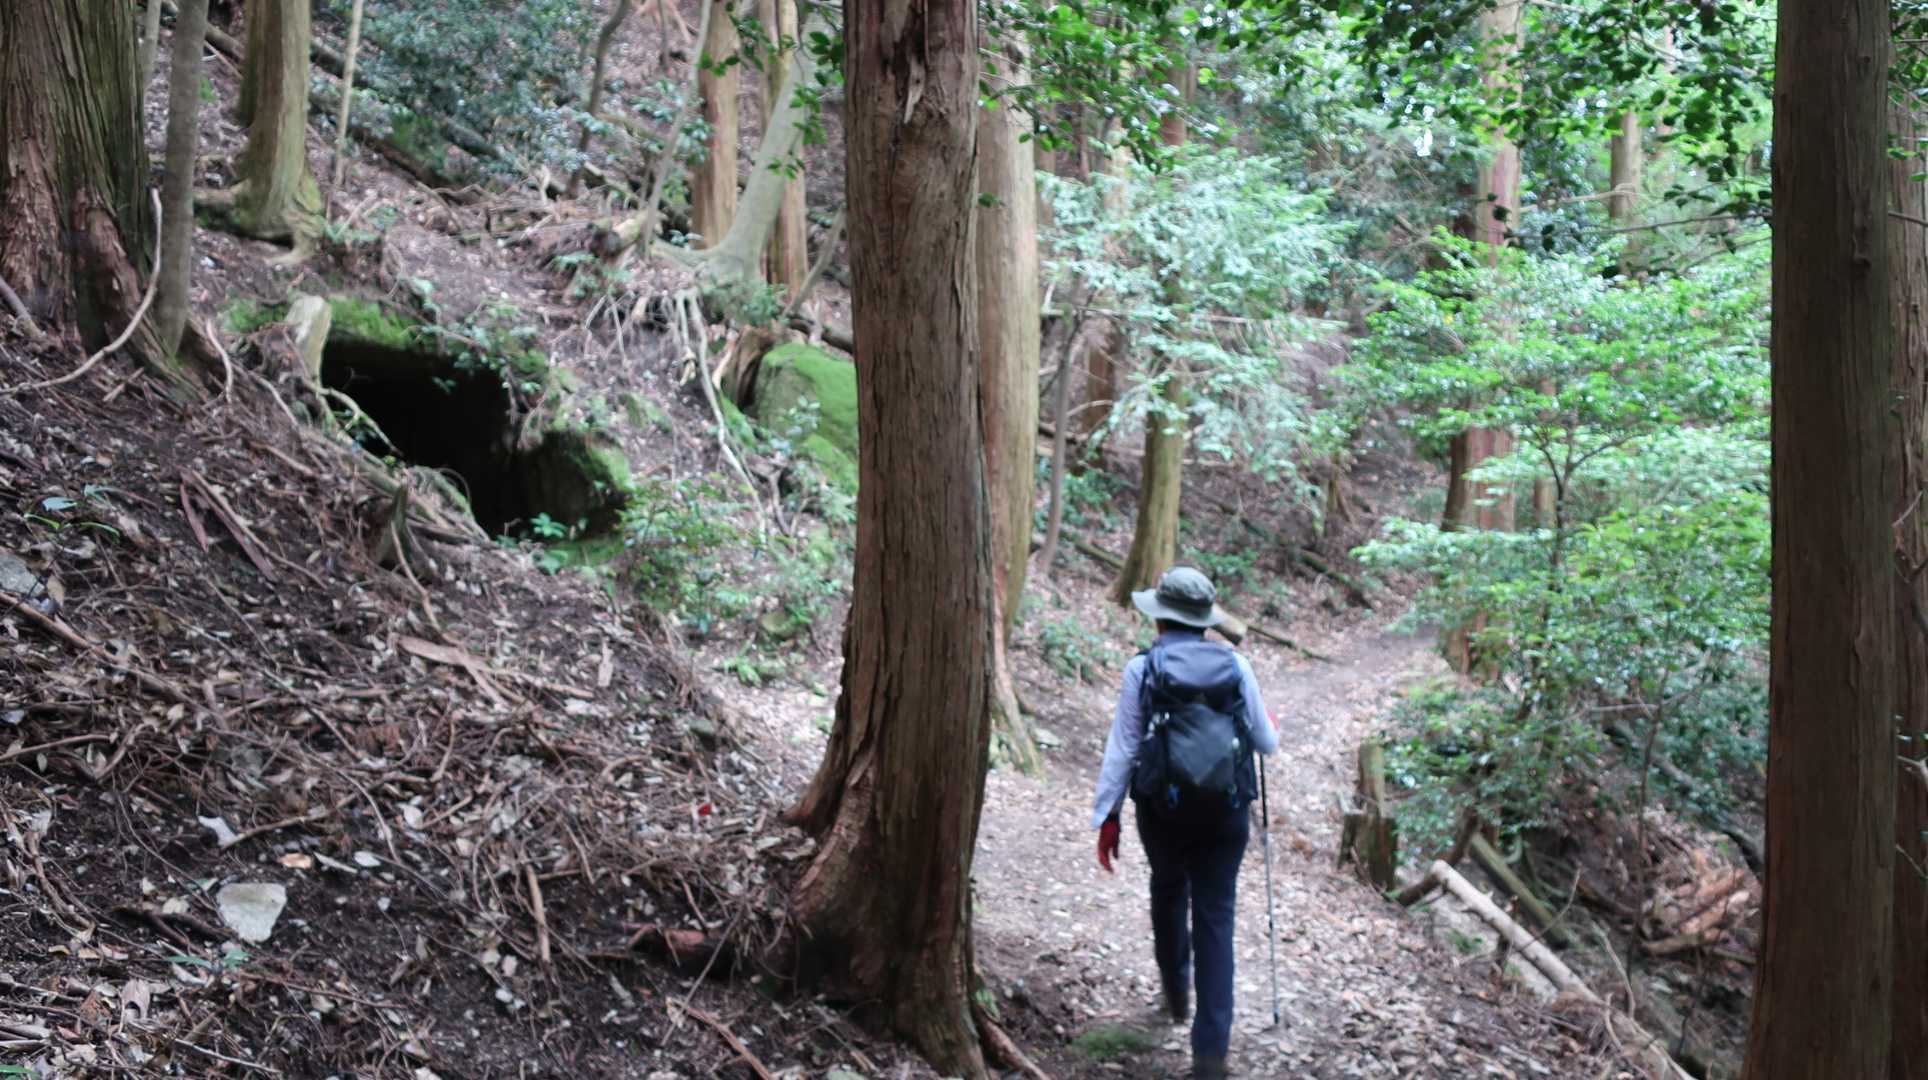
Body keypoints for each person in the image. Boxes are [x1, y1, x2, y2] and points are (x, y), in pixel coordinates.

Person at [1091, 566, 1280, 1080]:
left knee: (1168, 887)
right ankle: (1210, 1055)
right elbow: (1266, 743)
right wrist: (1266, 725)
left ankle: (1176, 993)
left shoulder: (1143, 669)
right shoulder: (1237, 666)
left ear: (1160, 620)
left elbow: (1123, 749)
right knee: (1216, 919)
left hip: (1163, 812)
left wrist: (1108, 816)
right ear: (1204, 621)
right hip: (1226, 815)